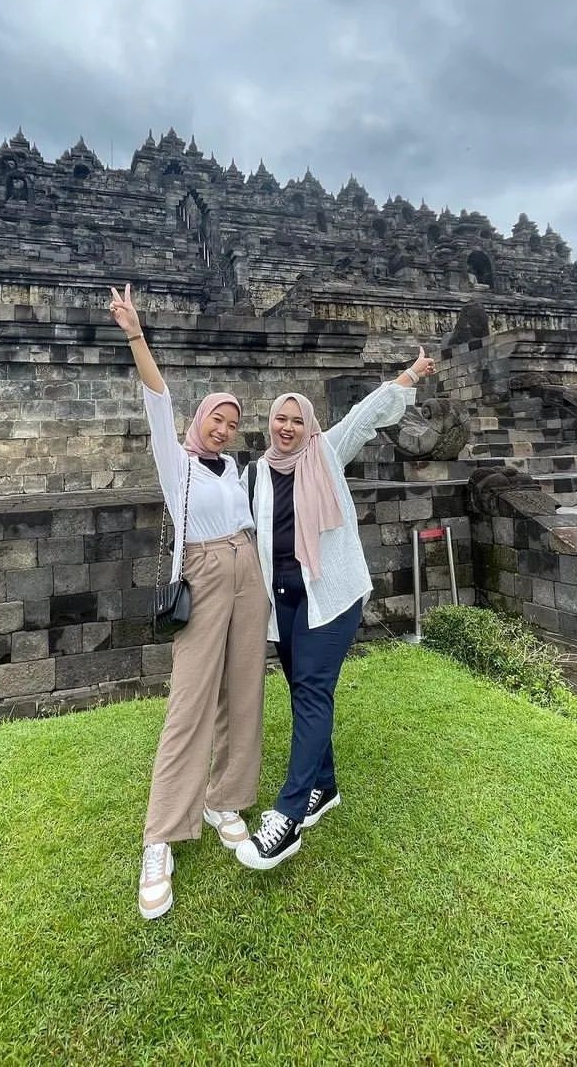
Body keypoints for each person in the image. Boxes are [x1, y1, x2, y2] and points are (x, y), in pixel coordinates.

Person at [235, 349, 438, 870]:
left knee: (313, 692)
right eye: (280, 418)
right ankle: (323, 788)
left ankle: (289, 816)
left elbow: (365, 415)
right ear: (269, 423)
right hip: (283, 600)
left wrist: (409, 376)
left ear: (309, 425)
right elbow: (232, 525)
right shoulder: (256, 474)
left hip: (332, 595)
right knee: (303, 691)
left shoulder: (325, 454)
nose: (287, 427)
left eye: (296, 419)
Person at [108, 284, 270, 920]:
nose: (224, 429)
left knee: (244, 690)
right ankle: (160, 836)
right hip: (201, 571)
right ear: (197, 421)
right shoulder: (175, 461)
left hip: (246, 567)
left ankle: (224, 797)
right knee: (190, 702)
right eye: (216, 420)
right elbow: (157, 397)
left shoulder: (236, 471)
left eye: (232, 424)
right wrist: (134, 332)